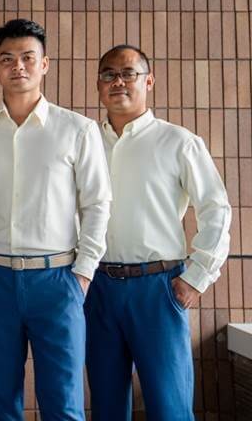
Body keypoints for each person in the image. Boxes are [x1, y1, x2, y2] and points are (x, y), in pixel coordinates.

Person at [0, 18, 111, 420]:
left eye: (27, 57)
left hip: (58, 279)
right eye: (7, 58)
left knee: (63, 399)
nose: (17, 66)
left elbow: (97, 204)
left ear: (45, 64)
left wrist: (84, 273)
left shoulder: (78, 130)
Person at [85, 44, 231, 420]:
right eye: (108, 74)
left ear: (148, 80)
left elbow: (216, 209)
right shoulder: (83, 141)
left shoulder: (178, 142)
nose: (118, 81)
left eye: (128, 73)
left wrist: (197, 277)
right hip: (96, 288)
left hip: (159, 289)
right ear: (99, 84)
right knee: (106, 406)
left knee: (170, 407)